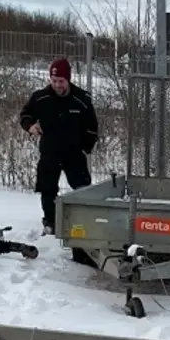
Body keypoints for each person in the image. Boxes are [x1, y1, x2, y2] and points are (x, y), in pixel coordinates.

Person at [18, 58, 99, 233]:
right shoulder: (41, 98)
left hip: (74, 153)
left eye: (61, 81)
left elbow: (92, 128)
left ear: (68, 79)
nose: (57, 85)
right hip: (50, 151)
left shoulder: (81, 99)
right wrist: (30, 126)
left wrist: (85, 147)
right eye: (54, 81)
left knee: (82, 188)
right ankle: (51, 223)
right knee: (47, 189)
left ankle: (83, 222)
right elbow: (25, 115)